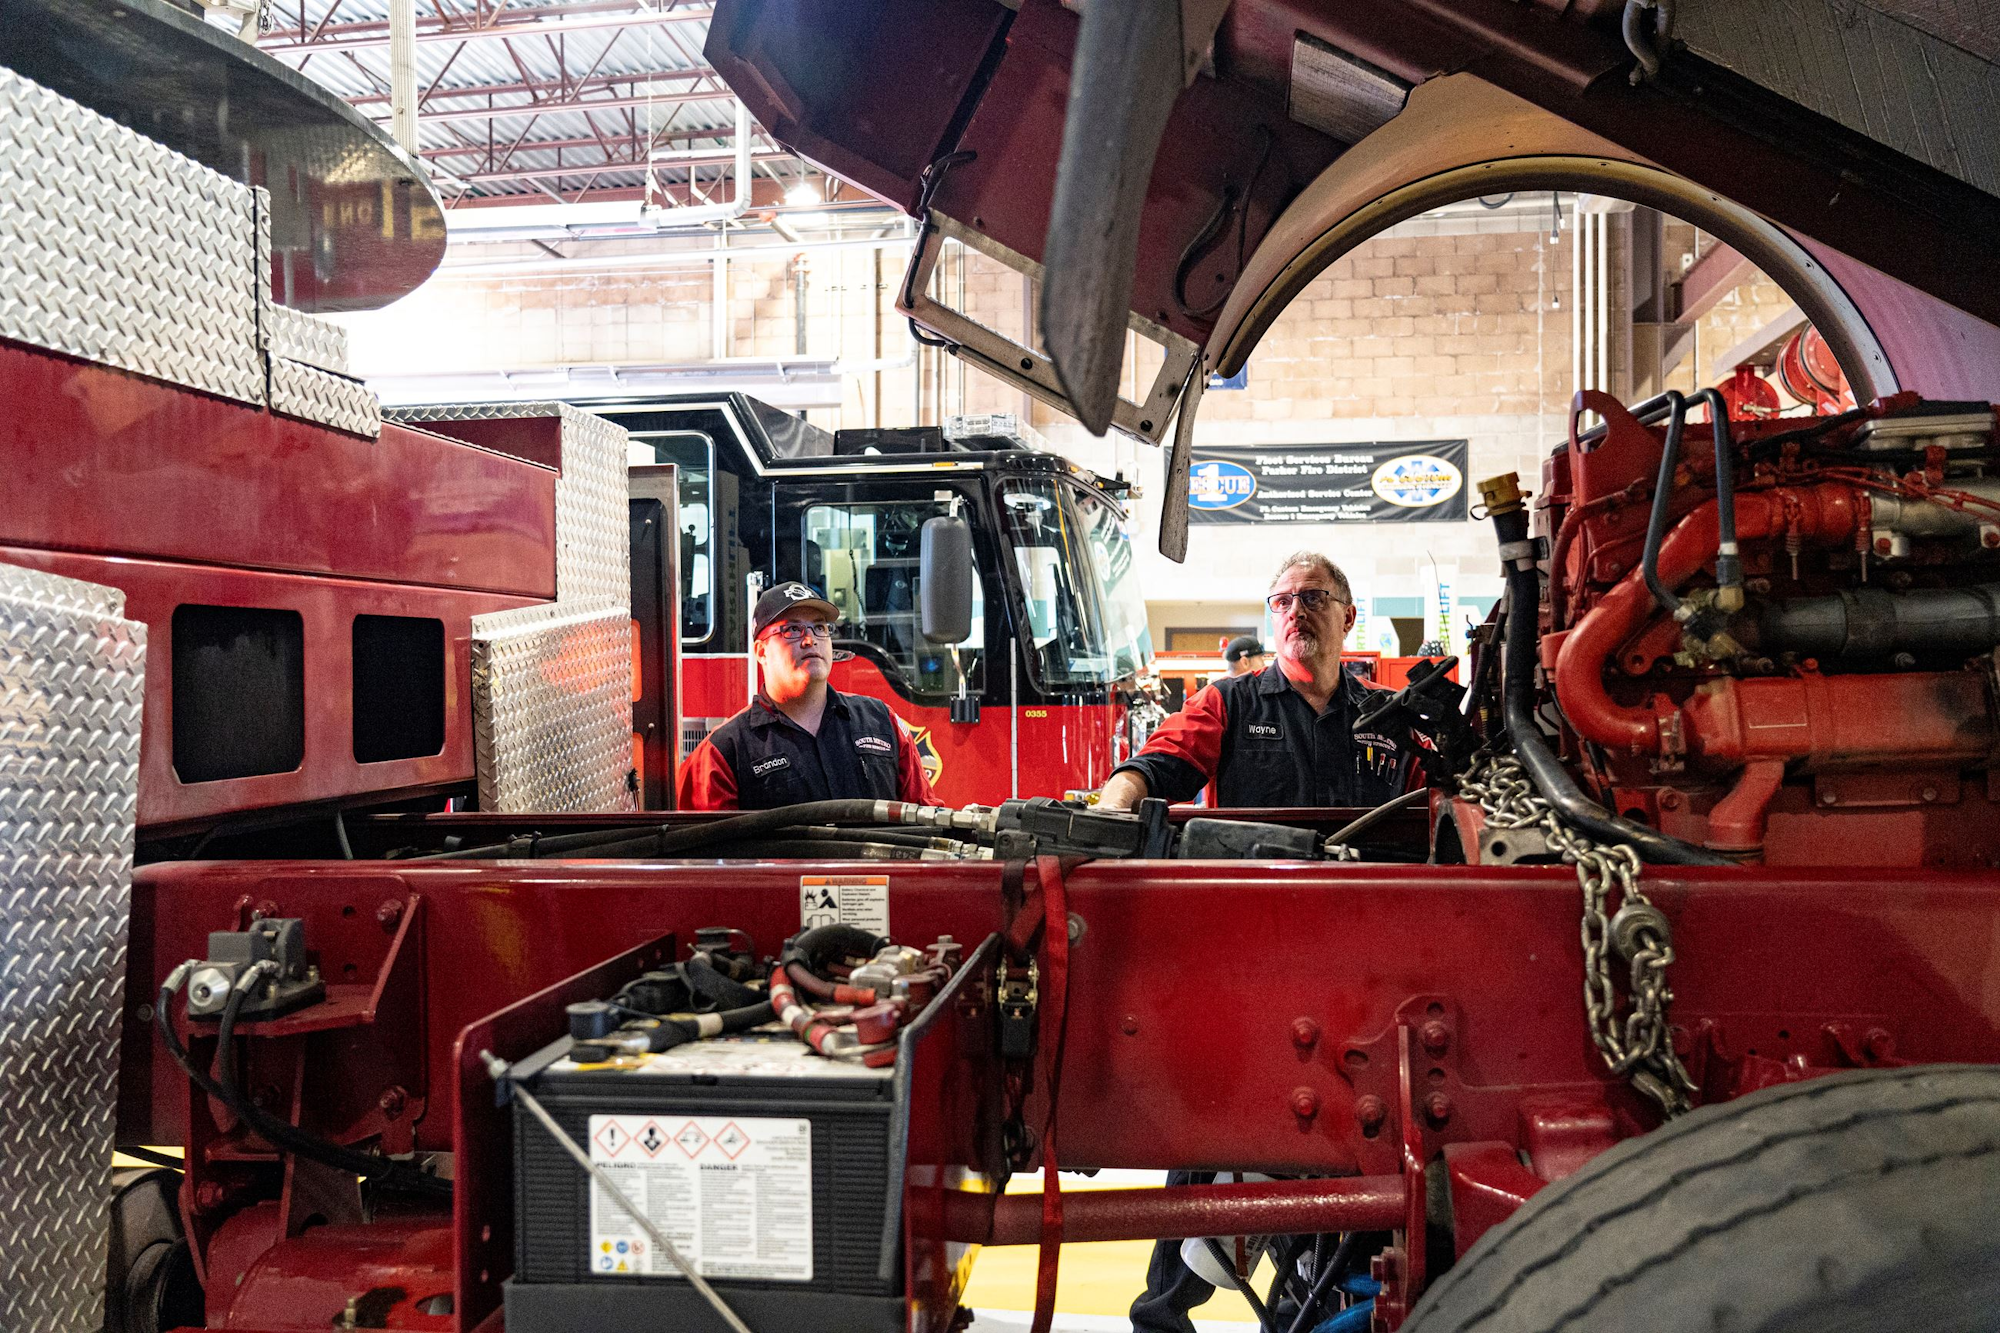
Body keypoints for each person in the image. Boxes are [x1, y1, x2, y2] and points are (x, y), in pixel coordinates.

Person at [1099, 552, 1415, 812]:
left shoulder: (1391, 713)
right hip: (1258, 887)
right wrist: (1112, 808)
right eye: (1282, 602)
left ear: (1348, 618)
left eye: (1313, 598)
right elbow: (1151, 769)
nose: (1296, 612)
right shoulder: (1224, 703)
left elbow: (1441, 796)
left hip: (1365, 886)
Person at [677, 581, 940, 810]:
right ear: (761, 652)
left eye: (819, 628)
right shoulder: (722, 753)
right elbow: (704, 859)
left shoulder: (883, 722)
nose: (809, 640)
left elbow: (929, 822)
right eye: (792, 629)